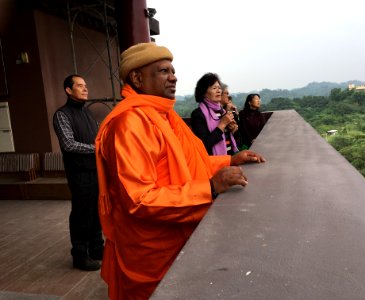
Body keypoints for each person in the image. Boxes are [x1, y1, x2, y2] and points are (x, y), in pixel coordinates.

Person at [95, 42, 266, 299]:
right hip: (151, 248)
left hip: (177, 235)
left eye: (173, 71)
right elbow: (139, 199)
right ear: (137, 78)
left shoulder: (164, 115)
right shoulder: (130, 123)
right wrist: (209, 188)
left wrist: (229, 161)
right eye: (164, 71)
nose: (173, 77)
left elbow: (189, 163)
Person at [53, 75, 104, 271]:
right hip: (79, 173)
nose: (85, 89)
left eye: (86, 86)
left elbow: (99, 139)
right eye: (80, 86)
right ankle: (80, 255)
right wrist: (97, 148)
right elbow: (68, 144)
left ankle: (97, 248)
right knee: (82, 214)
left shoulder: (88, 114)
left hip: (95, 170)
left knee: (96, 212)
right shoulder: (62, 115)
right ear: (68, 90)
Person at [191, 73, 239, 155]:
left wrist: (232, 130)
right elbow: (204, 145)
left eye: (219, 88)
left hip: (230, 158)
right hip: (214, 163)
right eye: (214, 88)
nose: (218, 91)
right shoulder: (198, 114)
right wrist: (222, 125)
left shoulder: (222, 111)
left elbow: (227, 138)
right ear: (204, 92)